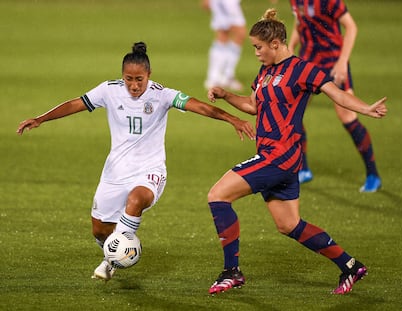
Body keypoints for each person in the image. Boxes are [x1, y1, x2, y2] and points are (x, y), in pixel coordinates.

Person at [16, 41, 255, 281]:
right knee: (100, 231)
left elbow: (199, 107)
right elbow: (76, 103)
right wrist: (41, 118)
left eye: (139, 79)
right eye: (128, 79)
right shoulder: (108, 90)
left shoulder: (162, 95)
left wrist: (232, 119)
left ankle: (112, 260)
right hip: (115, 172)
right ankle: (112, 252)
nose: (133, 85)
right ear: (122, 76)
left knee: (136, 199)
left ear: (149, 75)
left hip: (150, 170)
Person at [205, 9, 387, 295]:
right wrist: (227, 95)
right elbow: (254, 106)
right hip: (279, 160)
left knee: (217, 195)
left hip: (278, 157)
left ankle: (231, 272)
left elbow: (336, 93)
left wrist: (365, 108)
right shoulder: (265, 72)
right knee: (289, 225)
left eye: (258, 47)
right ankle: (349, 265)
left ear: (275, 44)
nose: (256, 53)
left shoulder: (303, 69)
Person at [288, 0, 381, 192]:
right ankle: (302, 168)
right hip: (307, 63)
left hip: (333, 62)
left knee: (347, 116)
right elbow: (300, 23)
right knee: (293, 111)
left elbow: (351, 27)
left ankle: (373, 174)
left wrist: (343, 61)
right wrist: (290, 48)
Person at [201, 0, 246, 91]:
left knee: (223, 36)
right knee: (239, 33)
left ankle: (217, 77)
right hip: (226, 3)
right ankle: (221, 77)